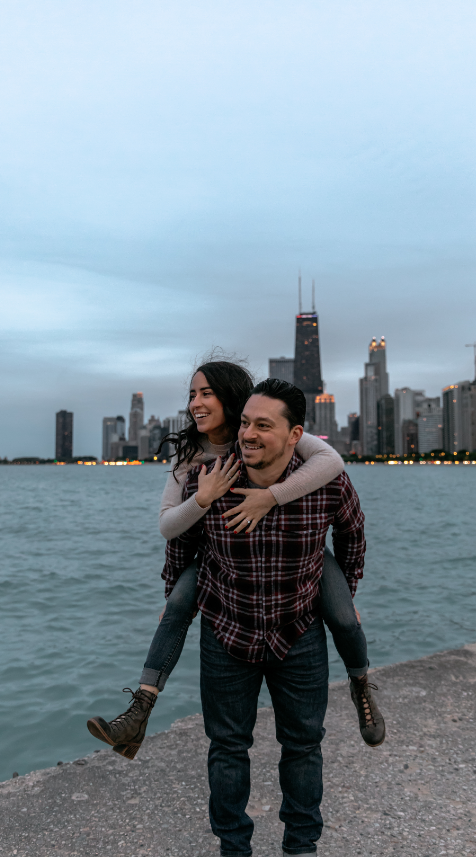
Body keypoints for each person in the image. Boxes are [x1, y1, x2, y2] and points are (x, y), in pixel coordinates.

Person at [87, 362, 384, 761]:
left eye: (206, 393)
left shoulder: (267, 425)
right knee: (176, 605)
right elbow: (173, 531)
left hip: (302, 554)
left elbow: (331, 463)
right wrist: (203, 498)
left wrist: (270, 497)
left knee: (346, 617)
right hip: (218, 556)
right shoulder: (192, 456)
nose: (196, 403)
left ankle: (361, 684)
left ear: (231, 398)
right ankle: (139, 711)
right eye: (192, 395)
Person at [170, 378, 378, 857]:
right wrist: (174, 598)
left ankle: (301, 847)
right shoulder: (210, 478)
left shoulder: (326, 482)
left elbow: (352, 535)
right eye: (245, 422)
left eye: (263, 425)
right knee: (226, 748)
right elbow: (180, 547)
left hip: (297, 631)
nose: (248, 434)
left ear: (294, 435)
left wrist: (344, 593)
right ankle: (233, 849)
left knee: (303, 746)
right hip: (227, 631)